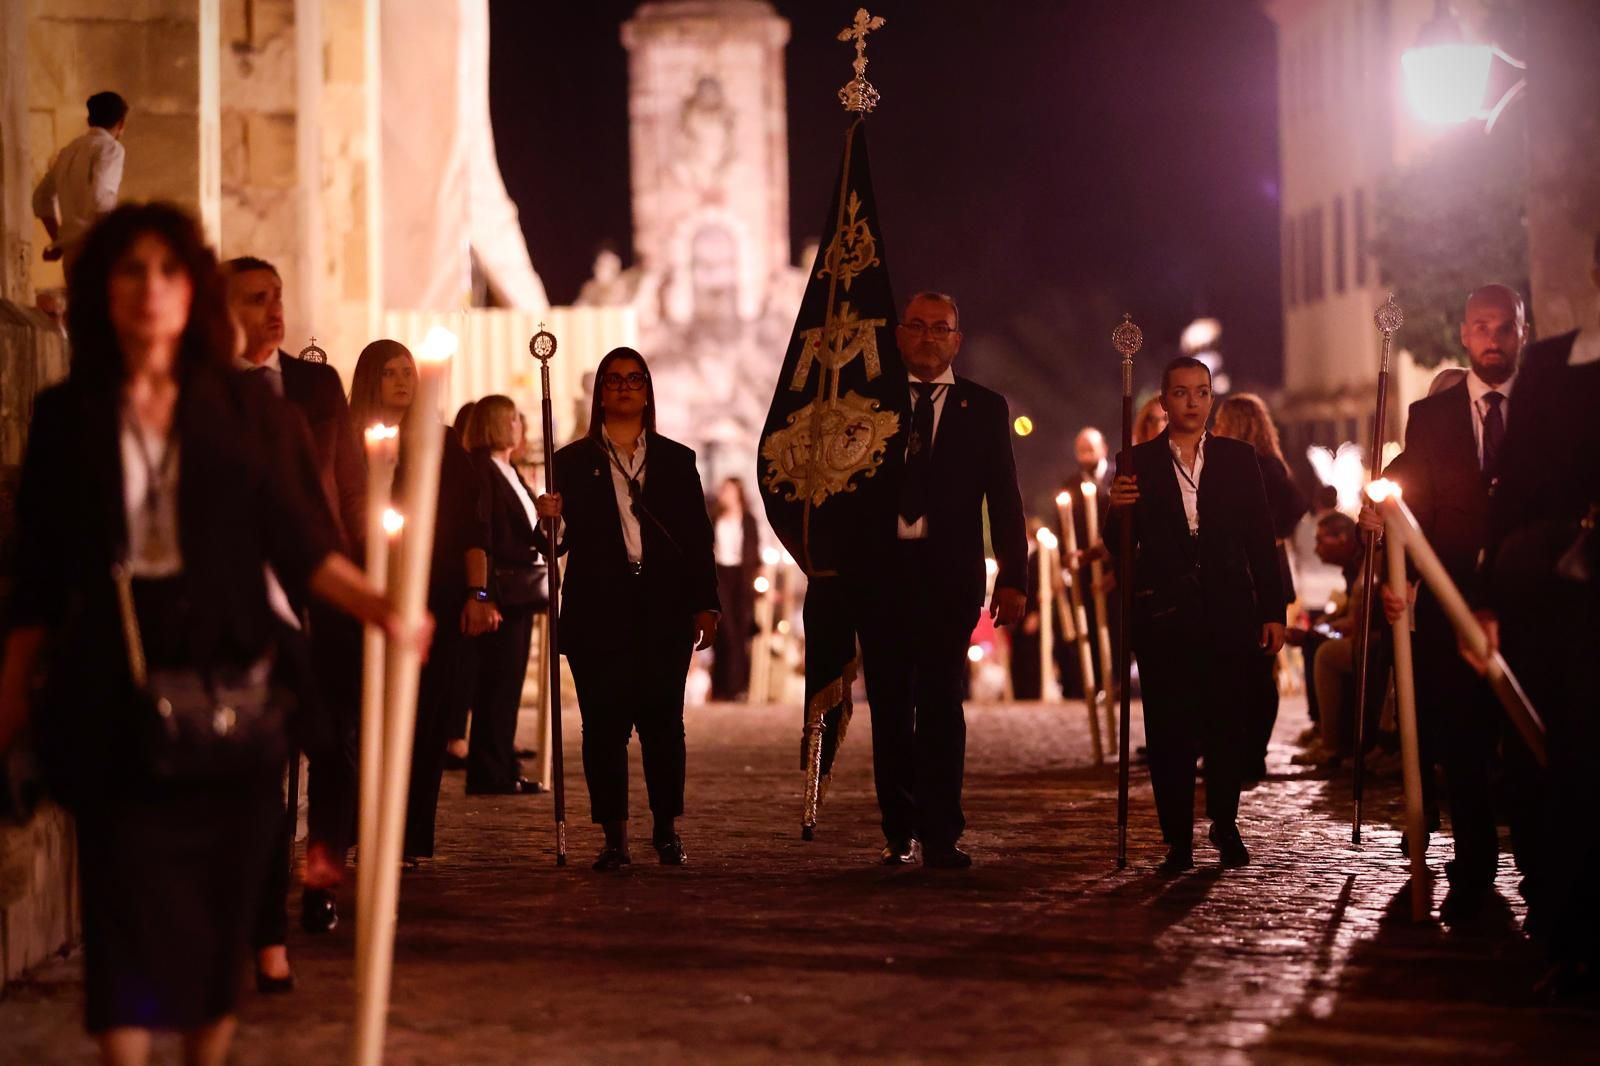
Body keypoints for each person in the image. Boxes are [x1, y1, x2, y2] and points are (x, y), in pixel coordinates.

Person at [0, 202, 409, 1066]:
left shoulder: (248, 414)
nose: (150, 290)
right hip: (111, 689)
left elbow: (304, 546)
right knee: (123, 904)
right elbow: (35, 582)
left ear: (193, 294)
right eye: (129, 271)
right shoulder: (70, 418)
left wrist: (383, 610)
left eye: (168, 272)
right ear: (102, 290)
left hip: (234, 686)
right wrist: (11, 701)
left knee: (220, 908)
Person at [222, 255, 366, 956]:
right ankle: (262, 892)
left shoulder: (316, 384)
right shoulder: (208, 393)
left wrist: (372, 566)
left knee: (334, 745)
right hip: (248, 597)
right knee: (267, 750)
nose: (275, 311)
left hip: (328, 590)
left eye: (278, 296)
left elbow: (350, 488)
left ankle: (322, 879)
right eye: (256, 299)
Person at [856, 292, 1027, 870]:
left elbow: (1005, 496)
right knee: (888, 705)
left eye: (941, 329)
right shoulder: (866, 404)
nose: (929, 338)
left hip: (948, 577)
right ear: (900, 336)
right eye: (919, 327)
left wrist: (1013, 574)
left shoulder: (983, 408)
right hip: (882, 576)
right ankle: (897, 828)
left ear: (957, 340)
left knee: (940, 704)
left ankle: (940, 831)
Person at [1371, 283, 1526, 919]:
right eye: (1481, 327)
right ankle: (1474, 868)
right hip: (1449, 599)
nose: (1493, 338)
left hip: (1525, 606)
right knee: (1460, 743)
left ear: (1522, 330)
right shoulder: (1430, 418)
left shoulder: (1544, 409)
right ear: (1465, 334)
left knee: (1525, 745)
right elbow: (1415, 509)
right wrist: (1399, 576)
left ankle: (1545, 875)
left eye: (1505, 327)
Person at [534, 347, 719, 871]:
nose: (622, 387)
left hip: (662, 607)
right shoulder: (570, 461)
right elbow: (554, 543)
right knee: (604, 727)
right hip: (599, 609)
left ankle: (665, 829)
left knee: (664, 724)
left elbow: (696, 538)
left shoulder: (677, 460)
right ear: (600, 393)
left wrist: (705, 603)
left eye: (633, 379)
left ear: (647, 389)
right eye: (613, 380)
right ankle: (613, 836)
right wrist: (549, 516)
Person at [1476, 238, 1600, 990]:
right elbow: (1516, 492)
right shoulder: (1551, 369)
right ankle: (1569, 932)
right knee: (1564, 765)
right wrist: (1486, 602)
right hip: (1559, 603)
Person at [1108, 356, 1285, 873]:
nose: (1191, 402)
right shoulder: (1135, 460)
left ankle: (1225, 821)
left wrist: (1272, 609)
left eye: (1200, 392)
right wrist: (1116, 508)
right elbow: (1119, 545)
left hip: (1228, 608)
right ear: (1164, 401)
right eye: (1180, 393)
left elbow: (1260, 537)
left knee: (1227, 722)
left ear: (1211, 398)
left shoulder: (1237, 458)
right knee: (1169, 730)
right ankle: (1176, 838)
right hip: (1164, 612)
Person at [348, 340, 494, 862]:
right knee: (365, 717)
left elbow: (472, 529)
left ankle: (409, 835)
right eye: (389, 373)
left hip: (434, 595)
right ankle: (361, 827)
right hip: (364, 595)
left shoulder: (442, 444)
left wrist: (477, 592)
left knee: (426, 719)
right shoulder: (348, 444)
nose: (403, 381)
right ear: (370, 381)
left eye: (409, 371)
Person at [1212, 393, 1307, 778]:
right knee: (1249, 670)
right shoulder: (1269, 466)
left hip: (1258, 571)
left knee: (1256, 669)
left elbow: (1287, 512)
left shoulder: (1263, 469)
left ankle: (1251, 752)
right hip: (1259, 569)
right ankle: (1244, 750)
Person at [461, 395, 546, 795]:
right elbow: (484, 536)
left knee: (508, 683)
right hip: (501, 592)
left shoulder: (509, 469)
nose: (520, 426)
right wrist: (484, 594)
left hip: (522, 593)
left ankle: (502, 763)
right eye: (512, 419)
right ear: (495, 424)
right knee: (496, 684)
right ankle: (489, 769)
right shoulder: (480, 471)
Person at [32, 92, 129, 276]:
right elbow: (100, 198)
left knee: (80, 304)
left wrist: (59, 240)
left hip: (71, 252)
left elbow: (40, 198)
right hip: (96, 249)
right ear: (121, 123)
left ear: (89, 119)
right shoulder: (111, 148)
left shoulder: (68, 151)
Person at [709, 477, 759, 701]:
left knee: (740, 631)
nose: (724, 495)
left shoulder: (749, 520)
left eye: (728, 490)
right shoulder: (714, 517)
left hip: (742, 577)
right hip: (720, 575)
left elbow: (754, 551)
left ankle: (737, 687)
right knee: (725, 629)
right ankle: (722, 686)